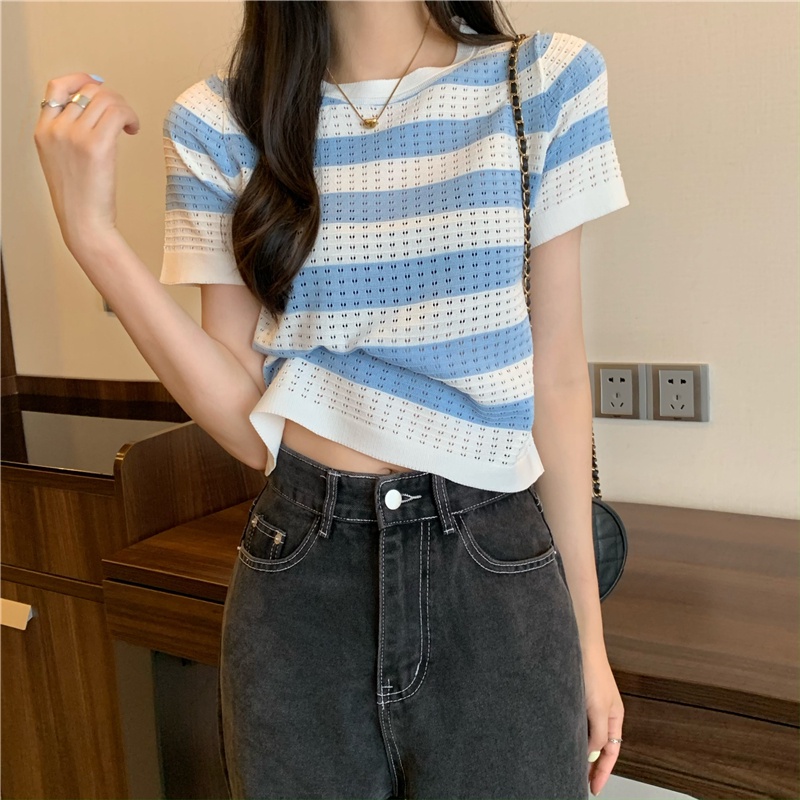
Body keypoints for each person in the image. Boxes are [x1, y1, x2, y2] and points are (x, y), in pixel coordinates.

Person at [33, 2, 628, 797]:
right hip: (302, 574)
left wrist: (588, 641)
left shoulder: (544, 81)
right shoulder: (220, 122)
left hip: (495, 568)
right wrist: (92, 237)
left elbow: (555, 374)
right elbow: (250, 422)